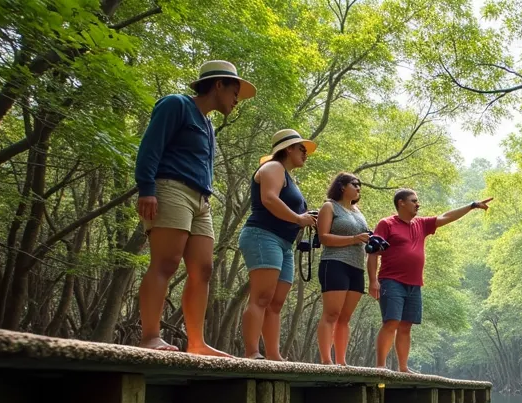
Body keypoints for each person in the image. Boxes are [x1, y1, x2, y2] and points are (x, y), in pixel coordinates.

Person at [134, 60, 255, 355]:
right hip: (171, 187)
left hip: (201, 200)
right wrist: (146, 189)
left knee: (203, 269)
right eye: (235, 92)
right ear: (218, 85)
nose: (237, 100)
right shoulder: (176, 105)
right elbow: (150, 147)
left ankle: (197, 343)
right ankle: (150, 337)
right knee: (166, 262)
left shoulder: (208, 124)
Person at [367, 189, 492, 371]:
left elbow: (446, 217)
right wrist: (373, 281)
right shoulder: (386, 224)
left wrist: (471, 206)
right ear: (401, 203)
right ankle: (380, 366)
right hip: (391, 281)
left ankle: (403, 368)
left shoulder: (421, 224)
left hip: (414, 284)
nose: (418, 204)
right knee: (391, 322)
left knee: (406, 325)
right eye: (413, 201)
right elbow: (372, 252)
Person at [238, 129, 318, 360]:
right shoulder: (273, 167)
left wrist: (307, 219)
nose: (305, 154)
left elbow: (290, 210)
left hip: (285, 244)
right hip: (263, 235)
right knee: (261, 296)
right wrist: (298, 218)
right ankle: (252, 352)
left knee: (276, 303)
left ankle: (274, 356)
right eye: (302, 149)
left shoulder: (290, 178)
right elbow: (269, 198)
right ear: (288, 149)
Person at [315, 172, 372, 365]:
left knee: (345, 318)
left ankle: (342, 361)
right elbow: (324, 237)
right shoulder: (329, 206)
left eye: (359, 185)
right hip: (335, 263)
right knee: (331, 313)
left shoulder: (358, 212)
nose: (358, 188)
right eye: (354, 184)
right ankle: (326, 360)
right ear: (342, 186)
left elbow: (362, 237)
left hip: (357, 267)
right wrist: (354, 239)